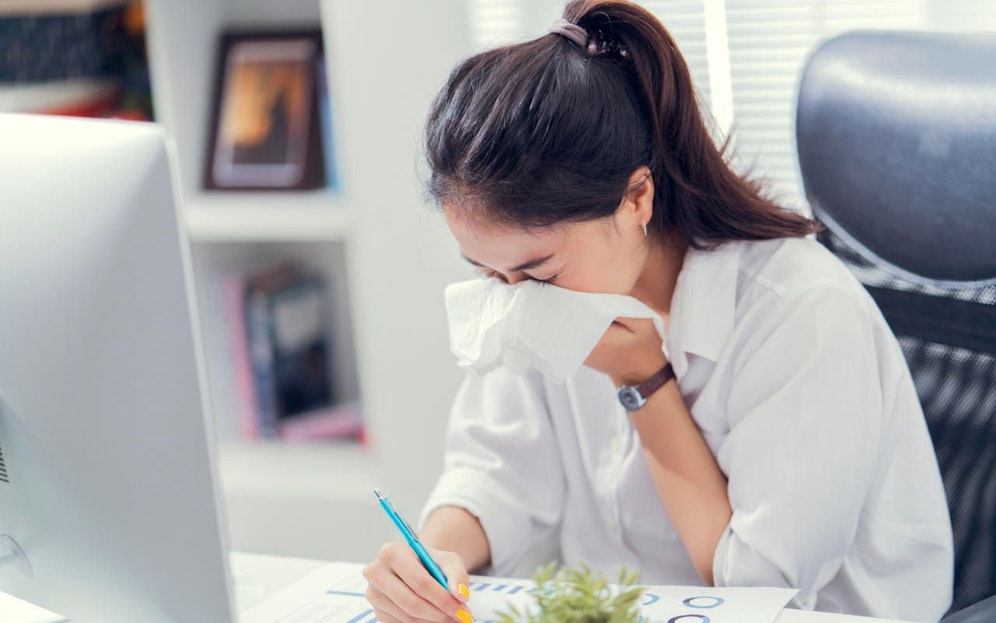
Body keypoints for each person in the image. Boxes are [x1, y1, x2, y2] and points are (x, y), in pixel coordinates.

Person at [362, 1, 953, 622]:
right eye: (487, 272)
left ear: (636, 198)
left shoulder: (804, 316)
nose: (515, 297)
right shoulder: (537, 286)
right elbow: (496, 470)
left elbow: (758, 590)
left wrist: (643, 381)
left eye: (538, 272)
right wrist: (431, 563)